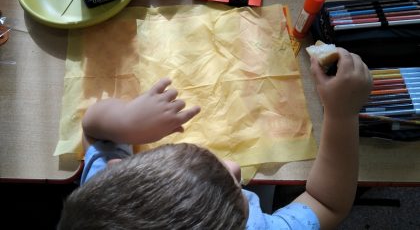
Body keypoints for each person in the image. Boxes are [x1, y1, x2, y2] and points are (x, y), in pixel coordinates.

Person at [58, 47, 372, 230]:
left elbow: (92, 129)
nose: (235, 167)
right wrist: (343, 114)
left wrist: (125, 124)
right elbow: (326, 202)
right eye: (236, 191)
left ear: (116, 168)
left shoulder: (108, 200)